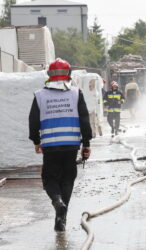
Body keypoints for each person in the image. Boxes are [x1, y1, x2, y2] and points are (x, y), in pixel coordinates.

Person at [29, 58, 92, 232]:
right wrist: (86, 144)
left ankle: (57, 201)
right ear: (69, 75)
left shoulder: (40, 95)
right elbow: (84, 120)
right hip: (71, 146)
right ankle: (61, 218)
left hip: (49, 146)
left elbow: (33, 121)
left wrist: (36, 141)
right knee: (67, 179)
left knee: (49, 179)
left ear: (49, 75)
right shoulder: (76, 93)